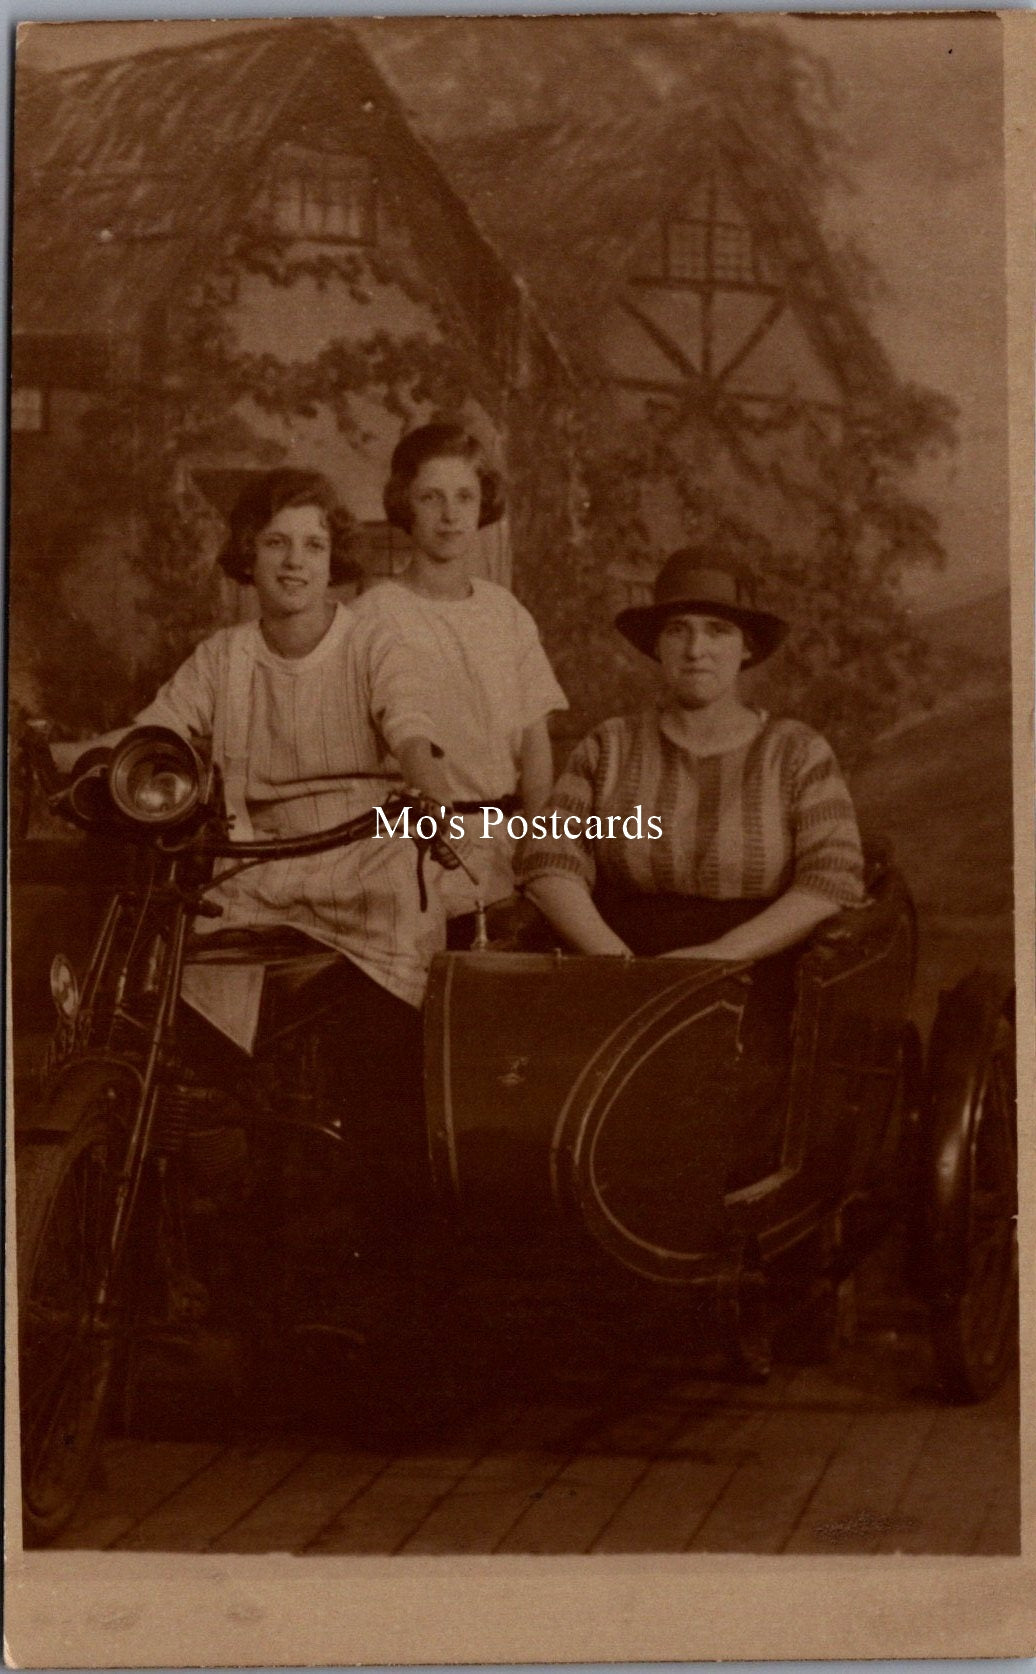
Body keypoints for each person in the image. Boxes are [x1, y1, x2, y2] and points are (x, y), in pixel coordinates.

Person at [54, 468, 457, 1231]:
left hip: (363, 862)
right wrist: (67, 755)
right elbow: (157, 730)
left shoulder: (374, 643)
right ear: (250, 554)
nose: (295, 561)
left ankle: (379, 1227)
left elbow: (410, 726)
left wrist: (428, 788)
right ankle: (223, 1207)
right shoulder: (226, 657)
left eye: (314, 544)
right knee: (183, 1013)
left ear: (335, 557)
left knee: (379, 1062)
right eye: (276, 543)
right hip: (257, 869)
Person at [516, 547, 865, 961]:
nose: (696, 649)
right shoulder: (610, 745)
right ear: (658, 645)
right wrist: (614, 961)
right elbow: (548, 859)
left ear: (747, 647)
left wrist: (720, 955)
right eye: (678, 630)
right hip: (619, 965)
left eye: (717, 630)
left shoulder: (796, 753)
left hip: (756, 971)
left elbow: (832, 878)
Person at [354, 421, 568, 923]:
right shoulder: (374, 614)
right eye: (431, 498)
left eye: (464, 498)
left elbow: (535, 745)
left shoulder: (505, 612)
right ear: (405, 504)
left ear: (482, 506)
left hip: (507, 850)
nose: (450, 516)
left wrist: (537, 849)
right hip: (414, 853)